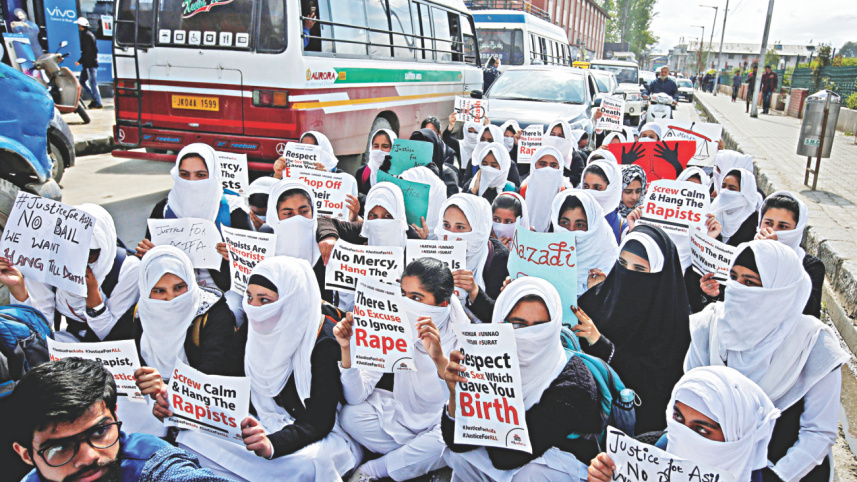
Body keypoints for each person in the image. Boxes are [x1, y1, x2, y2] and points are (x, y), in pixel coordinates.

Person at [158, 257, 361, 480]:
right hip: (260, 423)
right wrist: (177, 400)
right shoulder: (251, 329)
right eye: (249, 297)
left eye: (265, 300)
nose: (253, 308)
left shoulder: (325, 340)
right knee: (194, 437)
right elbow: (223, 380)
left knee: (309, 463)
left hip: (315, 434)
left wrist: (271, 445)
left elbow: (319, 421)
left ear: (291, 300)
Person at [686, 240, 850, 482]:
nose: (736, 289)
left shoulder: (814, 344)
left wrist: (774, 476)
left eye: (750, 282)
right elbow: (690, 397)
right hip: (713, 463)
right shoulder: (710, 325)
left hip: (787, 469)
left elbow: (818, 433)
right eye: (733, 277)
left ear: (781, 291)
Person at [437, 277, 603, 481]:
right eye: (518, 324)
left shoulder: (573, 384)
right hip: (507, 454)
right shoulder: (486, 359)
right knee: (459, 455)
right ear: (499, 321)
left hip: (557, 466)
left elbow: (507, 458)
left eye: (540, 327)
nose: (530, 336)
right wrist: (457, 396)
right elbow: (456, 442)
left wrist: (483, 423)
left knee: (530, 474)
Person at [336, 258, 468, 481]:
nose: (406, 304)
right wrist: (347, 351)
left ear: (442, 305)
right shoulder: (393, 322)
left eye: (416, 298)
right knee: (350, 416)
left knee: (450, 440)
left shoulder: (463, 337)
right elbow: (356, 396)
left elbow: (461, 410)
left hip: (442, 425)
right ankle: (418, 461)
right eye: (403, 295)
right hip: (403, 417)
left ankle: (374, 469)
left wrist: (438, 358)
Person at [9, 358, 229, 482]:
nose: (89, 457)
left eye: (99, 432)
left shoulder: (151, 464)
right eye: (60, 447)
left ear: (115, 413)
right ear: (26, 454)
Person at [104, 246, 240, 436]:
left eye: (179, 287)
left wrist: (169, 392)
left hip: (200, 403)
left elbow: (215, 374)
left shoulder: (214, 313)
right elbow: (112, 353)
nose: (171, 299)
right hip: (150, 402)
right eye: (159, 291)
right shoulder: (141, 311)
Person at [576, 224, 691, 434]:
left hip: (637, 431)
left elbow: (654, 385)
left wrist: (602, 345)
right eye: (622, 263)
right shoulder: (598, 299)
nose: (627, 274)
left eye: (639, 269)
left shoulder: (675, 326)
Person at [588, 366, 780, 482]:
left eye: (702, 430)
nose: (683, 435)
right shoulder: (647, 450)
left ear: (737, 437)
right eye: (678, 419)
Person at [137, 143, 252, 317]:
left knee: (230, 315)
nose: (192, 182)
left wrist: (235, 255)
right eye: (184, 175)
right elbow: (150, 260)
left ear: (213, 175)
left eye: (200, 175)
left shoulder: (232, 209)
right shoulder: (164, 209)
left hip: (223, 289)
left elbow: (252, 259)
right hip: (174, 292)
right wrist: (149, 254)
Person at [0, 204, 140, 342]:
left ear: (104, 247)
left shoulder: (127, 268)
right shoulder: (48, 261)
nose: (78, 263)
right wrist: (18, 288)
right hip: (70, 341)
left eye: (89, 255)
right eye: (70, 253)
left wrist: (93, 298)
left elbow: (113, 336)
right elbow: (36, 329)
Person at [434, 194, 509, 323]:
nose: (451, 235)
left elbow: (498, 318)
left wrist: (474, 291)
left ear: (478, 228)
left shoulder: (499, 258)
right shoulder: (434, 252)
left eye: (460, 227)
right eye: (446, 225)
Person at [260, 181, 335, 301]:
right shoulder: (263, 239)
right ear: (275, 215)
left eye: (304, 211)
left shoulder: (324, 244)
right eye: (288, 213)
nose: (297, 219)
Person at [755, 192, 824, 318]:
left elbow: (809, 312)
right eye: (768, 224)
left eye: (783, 226)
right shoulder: (745, 254)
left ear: (796, 230)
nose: (774, 231)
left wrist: (778, 257)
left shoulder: (811, 266)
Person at [550, 190, 618, 297]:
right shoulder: (545, 259)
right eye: (565, 223)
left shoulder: (610, 264)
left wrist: (598, 292)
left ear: (593, 227)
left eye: (580, 225)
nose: (571, 230)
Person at [520, 146, 573, 232]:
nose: (548, 169)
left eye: (553, 165)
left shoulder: (564, 195)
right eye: (543, 164)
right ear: (534, 165)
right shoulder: (523, 191)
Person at [710, 168, 761, 246]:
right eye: (723, 187)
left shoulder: (755, 221)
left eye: (732, 189)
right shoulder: (713, 212)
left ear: (745, 193)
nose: (725, 192)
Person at [581, 160, 625, 243]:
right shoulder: (571, 223)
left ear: (613, 190)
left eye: (597, 188)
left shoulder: (624, 230)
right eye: (586, 187)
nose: (590, 193)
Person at [409, 128, 461, 197]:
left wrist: (434, 178)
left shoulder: (447, 174)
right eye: (415, 149)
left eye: (424, 149)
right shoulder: (406, 172)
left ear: (435, 150)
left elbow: (449, 203)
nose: (419, 153)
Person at [356, 128, 397, 195]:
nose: (379, 150)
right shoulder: (362, 173)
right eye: (376, 146)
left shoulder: (402, 175)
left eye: (385, 146)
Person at [543, 120, 585, 186]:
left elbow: (577, 178)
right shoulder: (540, 154)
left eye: (560, 136)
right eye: (552, 135)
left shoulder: (574, 157)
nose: (555, 139)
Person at [74, 18, 102, 109]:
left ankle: (98, 102)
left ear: (81, 26)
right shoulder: (89, 35)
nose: (78, 27)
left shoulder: (86, 36)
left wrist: (80, 61)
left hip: (89, 65)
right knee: (82, 81)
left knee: (92, 83)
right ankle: (95, 99)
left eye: (78, 25)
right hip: (88, 64)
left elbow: (87, 52)